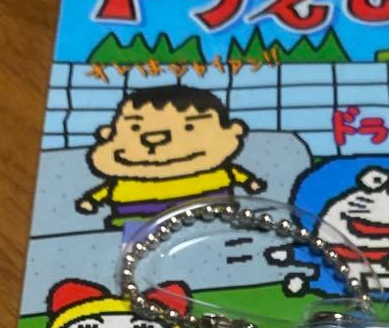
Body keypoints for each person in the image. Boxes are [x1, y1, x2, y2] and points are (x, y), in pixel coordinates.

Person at [76, 85, 264, 236]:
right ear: (108, 135)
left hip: (213, 218)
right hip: (137, 224)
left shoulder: (223, 172)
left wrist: (250, 183)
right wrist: (91, 201)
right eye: (135, 128)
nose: (155, 139)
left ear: (233, 131)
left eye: (189, 127)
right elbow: (104, 192)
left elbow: (238, 175)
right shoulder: (122, 182)